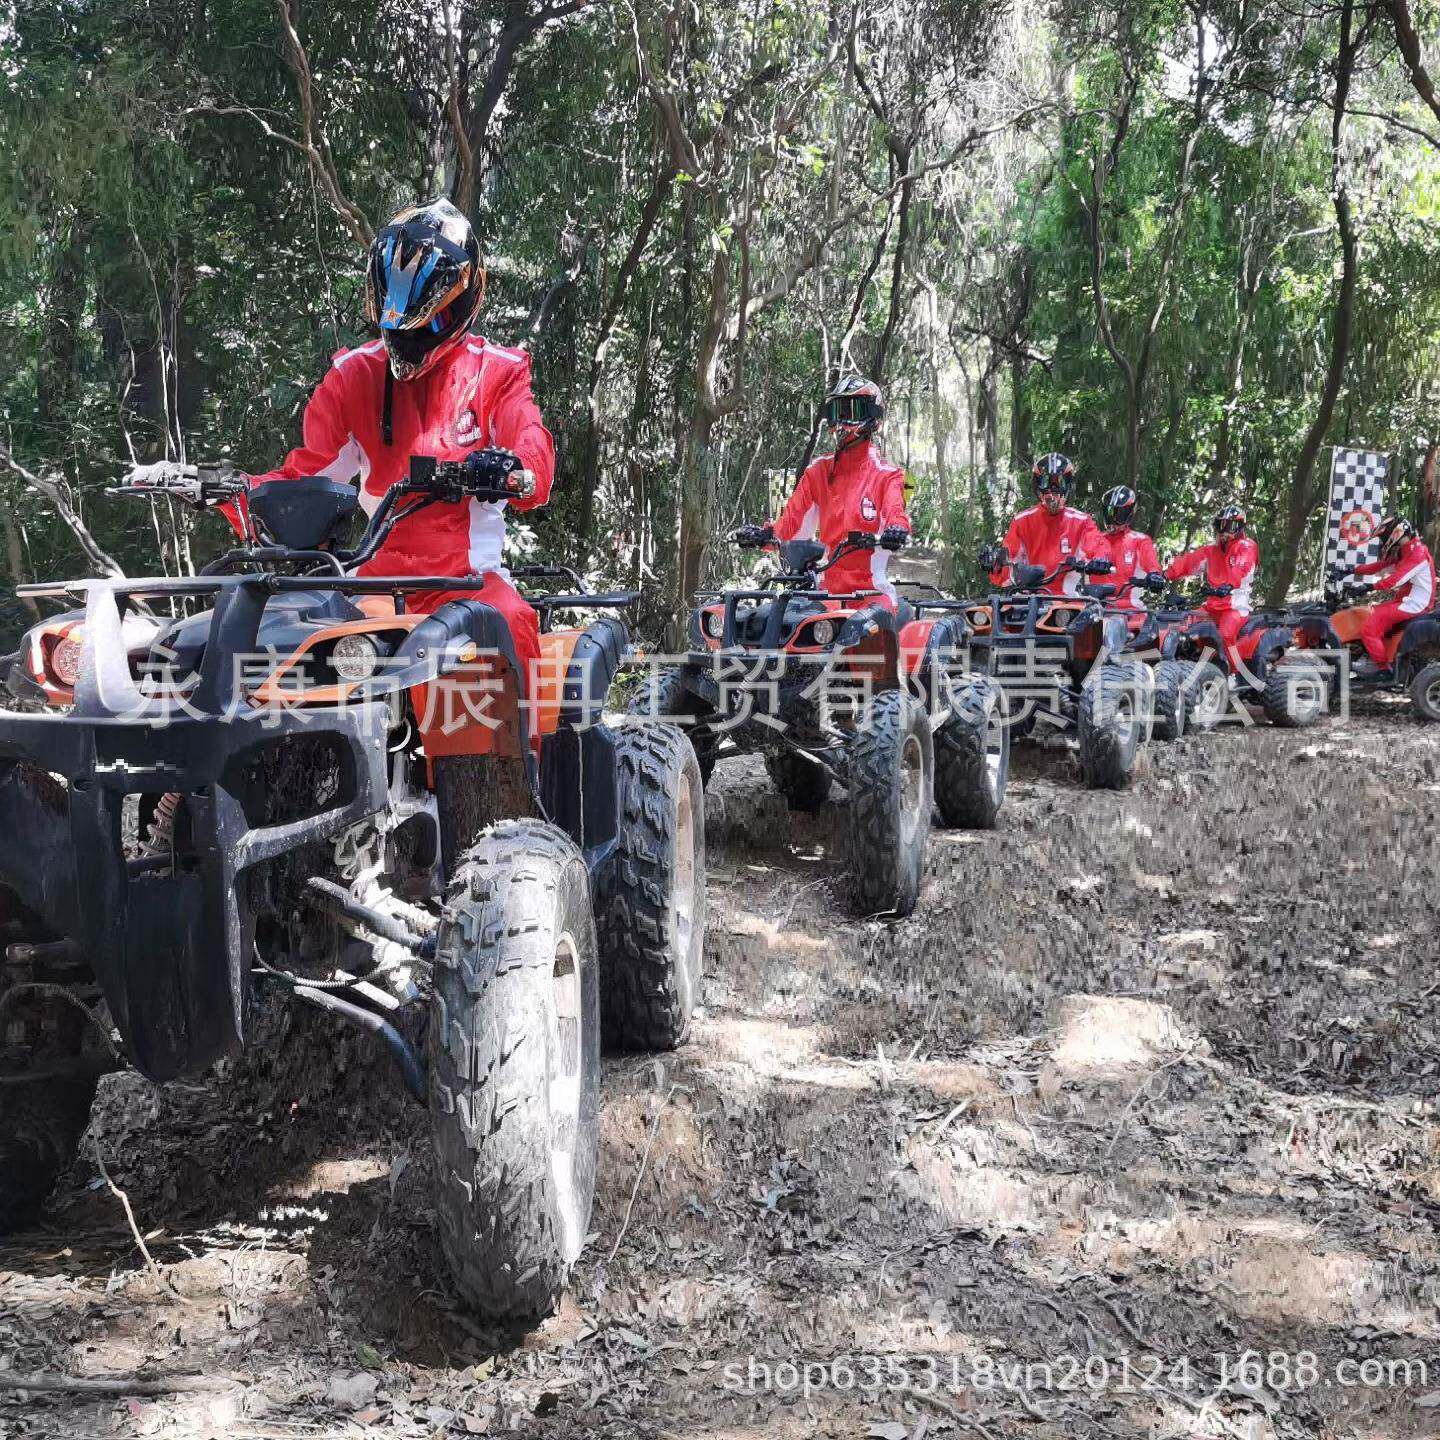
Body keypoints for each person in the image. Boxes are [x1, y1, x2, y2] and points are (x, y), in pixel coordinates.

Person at [247, 198, 555, 691]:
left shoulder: (496, 373)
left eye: (429, 325)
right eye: (397, 326)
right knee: (291, 644)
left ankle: (525, 744)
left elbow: (531, 444)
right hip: (373, 585)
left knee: (512, 624)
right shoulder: (354, 377)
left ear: (465, 300)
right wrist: (233, 491)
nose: (409, 339)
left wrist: (515, 469)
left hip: (467, 585)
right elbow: (305, 478)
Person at [738, 376, 910, 605]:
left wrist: (897, 531)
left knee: (869, 626)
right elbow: (791, 525)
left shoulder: (887, 475)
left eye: (852, 411)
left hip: (873, 596)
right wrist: (764, 536)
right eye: (837, 411)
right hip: (826, 594)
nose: (842, 421)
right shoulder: (818, 472)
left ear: (873, 417)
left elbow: (895, 513)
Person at [985, 453, 1108, 596]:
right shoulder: (1021, 522)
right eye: (1045, 482)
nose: (1053, 490)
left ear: (1068, 485)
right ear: (1037, 485)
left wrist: (1099, 561)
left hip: (1068, 601)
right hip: (1028, 600)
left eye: (1060, 483)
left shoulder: (1082, 521)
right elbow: (1006, 570)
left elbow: (1096, 548)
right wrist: (995, 565)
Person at [1163, 503, 1258, 671]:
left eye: (1229, 526)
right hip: (1212, 606)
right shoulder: (1211, 551)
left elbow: (1241, 567)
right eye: (1221, 526)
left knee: (1226, 634)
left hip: (1235, 606)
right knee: (1183, 625)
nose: (1224, 531)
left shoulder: (1246, 546)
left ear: (1240, 527)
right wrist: (1164, 575)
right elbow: (1189, 563)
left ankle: (1234, 671)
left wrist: (1229, 585)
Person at [1341, 515, 1436, 676]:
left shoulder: (1417, 553)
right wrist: (1351, 570)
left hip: (1416, 604)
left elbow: (1396, 580)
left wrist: (1368, 587)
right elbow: (1381, 565)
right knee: (1368, 613)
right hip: (1406, 600)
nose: (1382, 541)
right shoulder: (1407, 550)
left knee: (1369, 625)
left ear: (1394, 534)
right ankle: (1374, 654)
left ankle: (1383, 670)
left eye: (1383, 537)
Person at [1095, 485, 1166, 612]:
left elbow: (1152, 566)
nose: (1113, 519)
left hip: (1129, 610)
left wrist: (1154, 576)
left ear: (1129, 513)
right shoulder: (1094, 540)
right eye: (1109, 512)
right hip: (1094, 608)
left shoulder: (1140, 541)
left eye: (1119, 514)